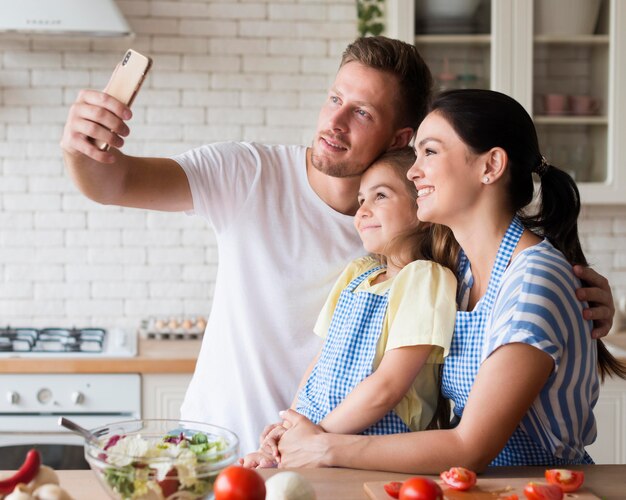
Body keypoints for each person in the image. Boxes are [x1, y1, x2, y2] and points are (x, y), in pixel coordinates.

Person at [60, 36, 616, 455]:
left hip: (336, 464)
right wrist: (82, 148)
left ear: (402, 139)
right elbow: (113, 184)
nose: (334, 121)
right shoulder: (250, 173)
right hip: (228, 447)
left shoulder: (427, 229)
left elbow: (515, 281)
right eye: (334, 98)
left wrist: (582, 301)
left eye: (363, 112)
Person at [273, 89, 626, 471]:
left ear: (490, 166)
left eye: (430, 151)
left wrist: (325, 447)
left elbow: (469, 448)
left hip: (538, 488)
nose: (413, 170)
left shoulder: (533, 281)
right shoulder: (460, 271)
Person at [241, 148, 457, 468]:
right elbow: (321, 361)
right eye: (360, 201)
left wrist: (315, 438)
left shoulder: (424, 278)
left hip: (374, 451)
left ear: (420, 210)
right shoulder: (358, 274)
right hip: (320, 438)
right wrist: (290, 428)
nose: (363, 211)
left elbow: (388, 387)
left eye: (380, 196)